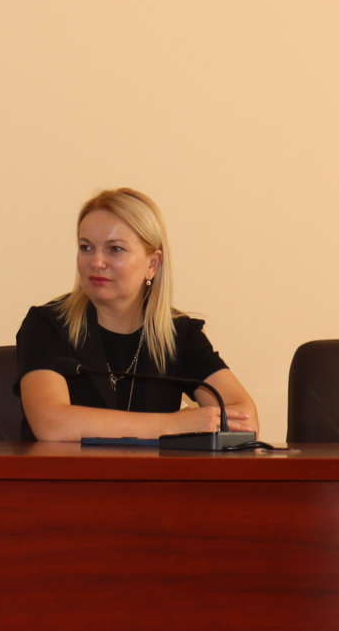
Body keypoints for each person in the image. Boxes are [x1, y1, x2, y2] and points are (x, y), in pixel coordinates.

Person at [15, 188, 258, 442]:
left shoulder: (178, 334)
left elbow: (245, 419)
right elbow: (52, 424)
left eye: (115, 249)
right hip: (64, 469)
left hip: (152, 471)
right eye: (86, 247)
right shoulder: (47, 325)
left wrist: (194, 423)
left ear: (152, 264)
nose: (96, 262)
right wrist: (175, 424)